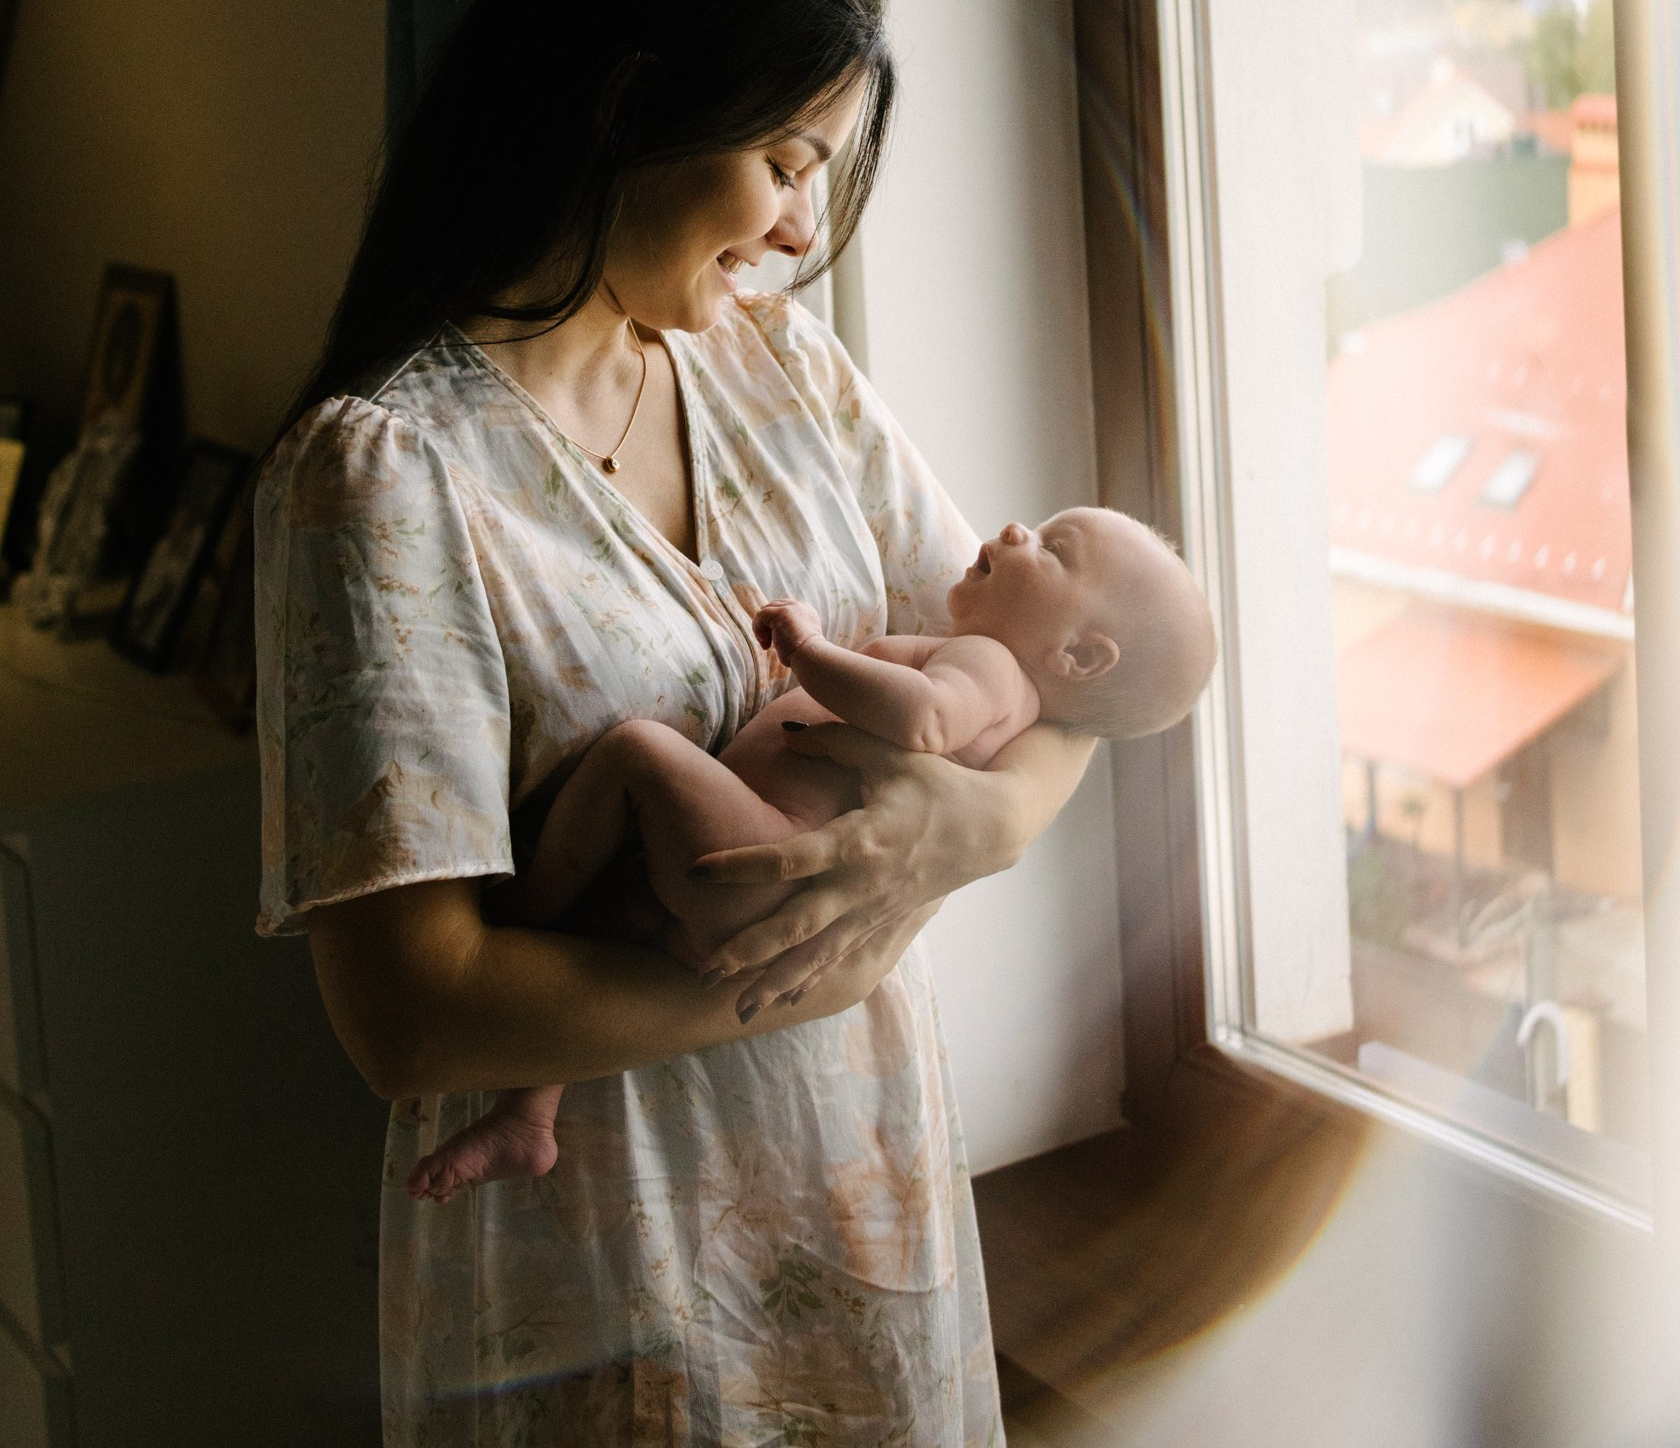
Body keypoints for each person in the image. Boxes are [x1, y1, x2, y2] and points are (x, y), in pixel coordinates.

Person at [256, 0, 1098, 1448]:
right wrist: (802, 975)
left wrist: (979, 832)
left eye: (821, 173)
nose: (803, 231)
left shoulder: (780, 372)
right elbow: (411, 1012)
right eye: (787, 161)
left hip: (859, 1203)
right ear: (638, 102)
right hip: (595, 1260)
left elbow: (1056, 671)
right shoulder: (379, 480)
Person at [407, 510, 1217, 1203]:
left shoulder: (991, 667)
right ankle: (530, 1116)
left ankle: (523, 910)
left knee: (636, 757)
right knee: (604, 933)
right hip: (768, 886)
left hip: (768, 854)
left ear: (1079, 656)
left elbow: (927, 720)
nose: (1013, 529)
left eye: (1054, 548)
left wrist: (811, 648)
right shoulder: (1014, 690)